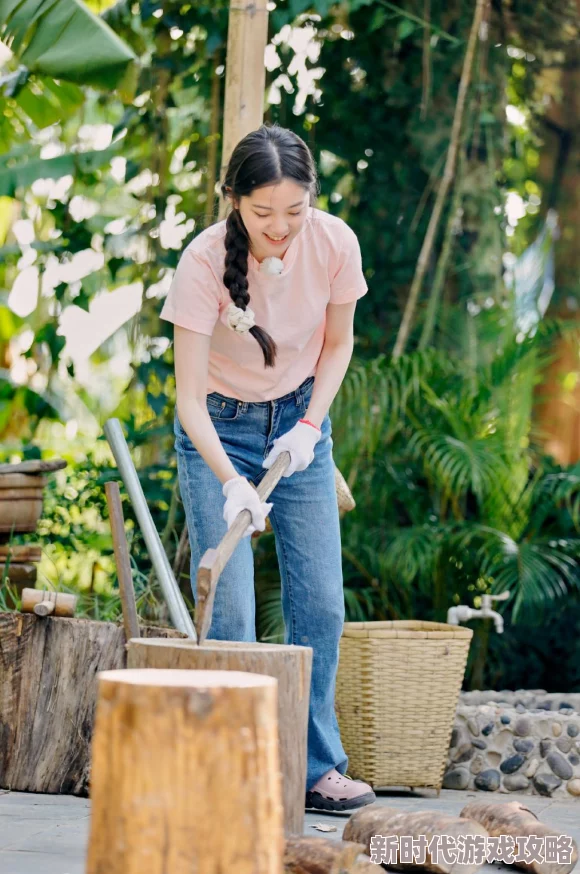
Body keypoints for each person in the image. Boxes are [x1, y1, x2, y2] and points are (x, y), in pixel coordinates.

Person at [160, 122, 376, 813]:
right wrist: (231, 485)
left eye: (295, 209)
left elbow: (337, 345)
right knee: (232, 612)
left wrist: (311, 427)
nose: (280, 227)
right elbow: (188, 399)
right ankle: (238, 773)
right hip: (219, 434)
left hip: (300, 430)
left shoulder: (336, 242)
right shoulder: (201, 264)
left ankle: (318, 769)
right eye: (263, 213)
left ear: (312, 197)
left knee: (319, 602)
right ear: (232, 199)